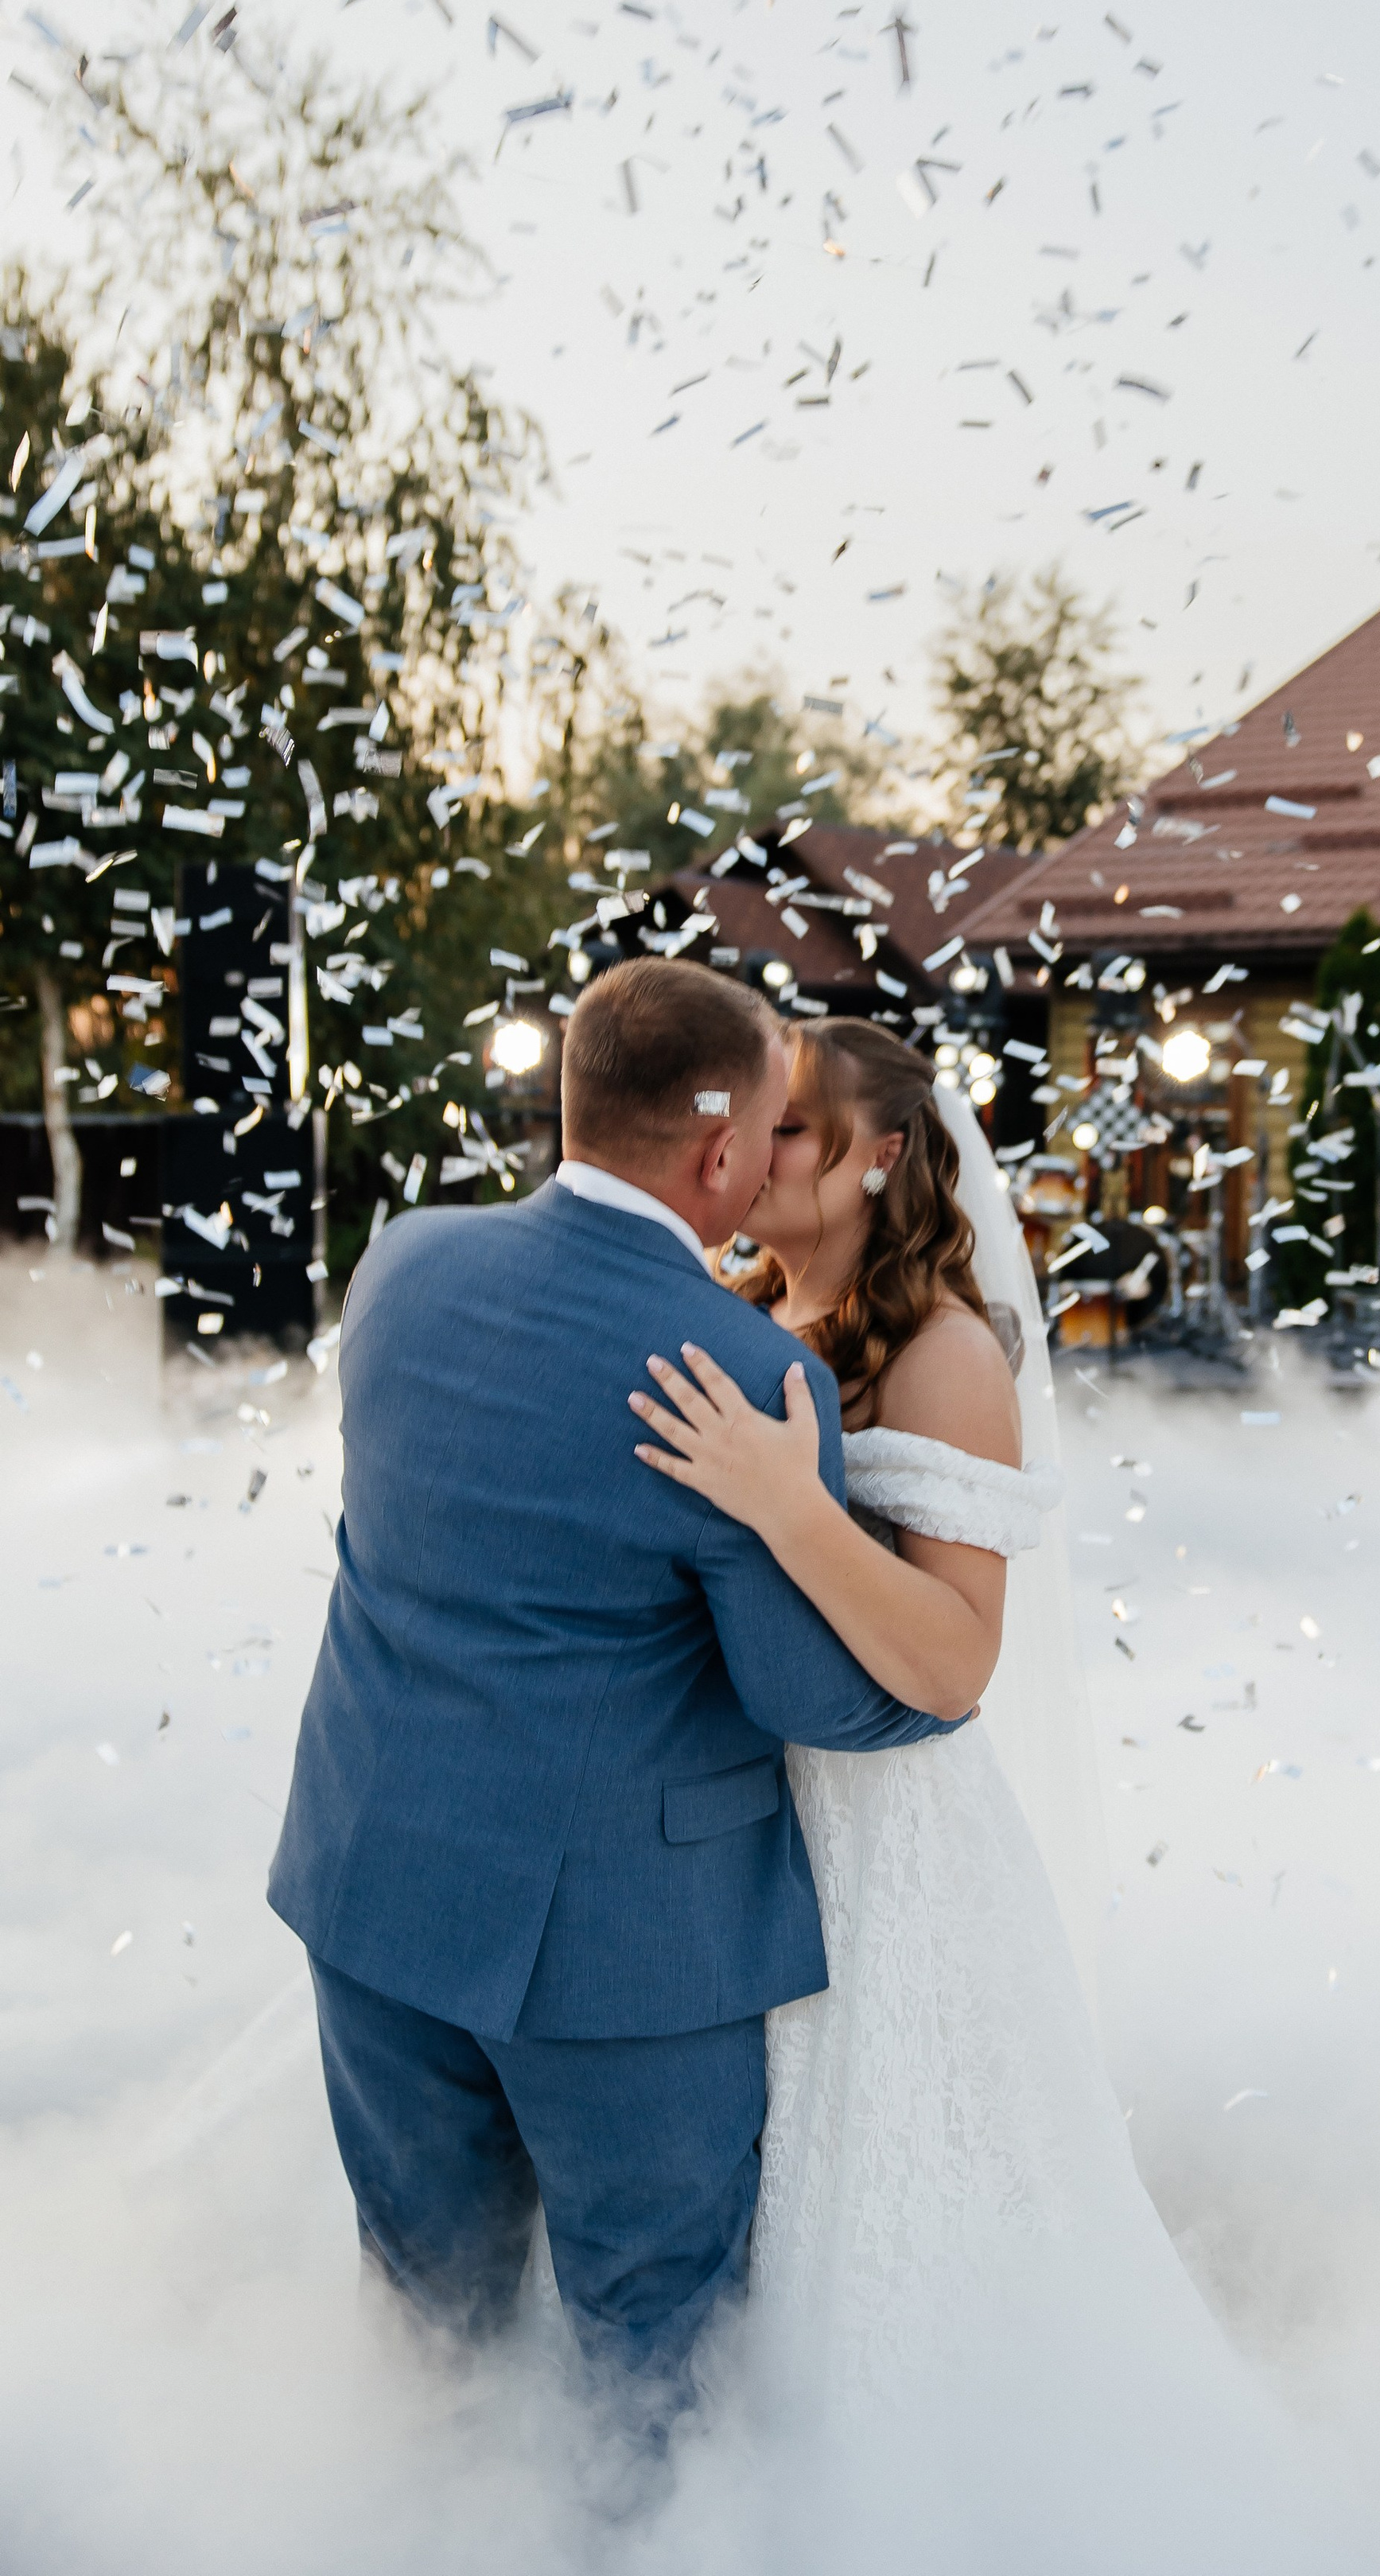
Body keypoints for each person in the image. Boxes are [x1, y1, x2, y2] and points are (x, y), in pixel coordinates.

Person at [266, 962, 959, 2439]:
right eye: (771, 1132)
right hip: (620, 1962)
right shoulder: (746, 1374)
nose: (777, 1160)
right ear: (718, 1156)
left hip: (373, 1891)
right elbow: (814, 1701)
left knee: (427, 2333)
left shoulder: (402, 1265)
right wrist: (946, 1692)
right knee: (657, 2369)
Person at [626, 1019, 1282, 2485]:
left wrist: (791, 1507)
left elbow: (954, 1659)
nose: (754, 1149)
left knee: (884, 2200)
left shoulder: (944, 1354)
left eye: (795, 1129)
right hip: (730, 1823)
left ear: (888, 1157)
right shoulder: (733, 1311)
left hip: (886, 1850)